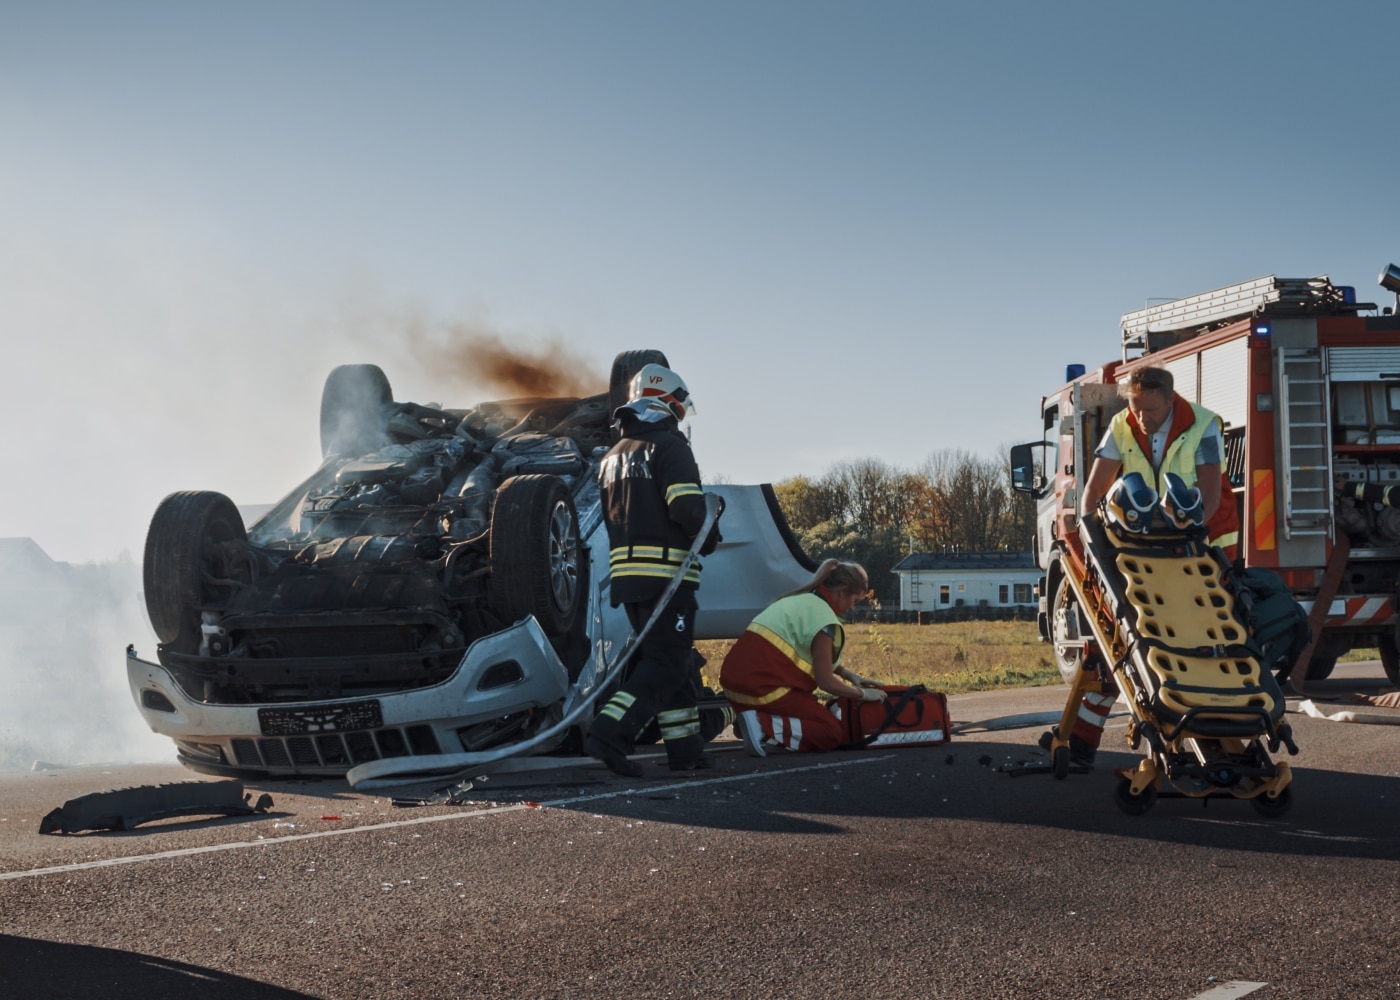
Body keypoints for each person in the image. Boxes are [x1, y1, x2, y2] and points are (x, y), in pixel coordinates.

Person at [1044, 364, 1240, 767]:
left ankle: (1217, 740)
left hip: (1202, 550)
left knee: (1199, 644)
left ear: (1171, 401)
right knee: (1121, 640)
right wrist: (1092, 537)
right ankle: (1082, 741)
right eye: (1135, 408)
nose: (1142, 419)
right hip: (1147, 554)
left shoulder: (1203, 426)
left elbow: (1208, 500)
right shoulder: (1122, 424)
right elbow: (1093, 493)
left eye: (1150, 411)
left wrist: (1171, 539)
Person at [584, 363, 721, 776]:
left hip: (628, 578)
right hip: (667, 575)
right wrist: (710, 532)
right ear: (667, 403)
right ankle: (609, 733)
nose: (681, 415)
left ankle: (685, 751)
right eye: (680, 406)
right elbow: (685, 507)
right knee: (666, 663)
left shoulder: (612, 456)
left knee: (672, 665)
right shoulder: (670, 447)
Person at [719, 560, 886, 757]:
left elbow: (806, 652)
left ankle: (751, 721)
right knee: (832, 732)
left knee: (813, 709)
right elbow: (826, 683)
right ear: (842, 592)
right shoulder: (825, 621)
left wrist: (848, 674)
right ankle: (761, 726)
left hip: (734, 688)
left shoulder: (800, 601)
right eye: (855, 600)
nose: (852, 607)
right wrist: (863, 694)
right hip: (763, 691)